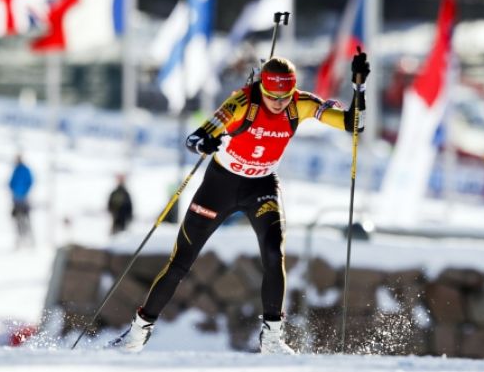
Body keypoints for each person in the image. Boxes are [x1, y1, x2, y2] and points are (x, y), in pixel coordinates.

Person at [109, 51, 370, 354]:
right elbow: (198, 136)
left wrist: (358, 88)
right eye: (272, 96)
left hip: (261, 186)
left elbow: (353, 124)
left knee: (274, 254)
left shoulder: (301, 103)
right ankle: (138, 331)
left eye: (284, 97)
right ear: (262, 88)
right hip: (220, 186)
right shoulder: (243, 102)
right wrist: (203, 142)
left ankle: (271, 337)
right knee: (181, 262)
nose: (279, 103)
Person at [9, 154, 34, 248]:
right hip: (16, 198)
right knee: (17, 219)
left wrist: (25, 191)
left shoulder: (24, 170)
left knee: (26, 218)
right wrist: (13, 190)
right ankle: (20, 239)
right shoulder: (16, 170)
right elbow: (11, 182)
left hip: (24, 198)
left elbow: (30, 181)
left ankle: (29, 239)